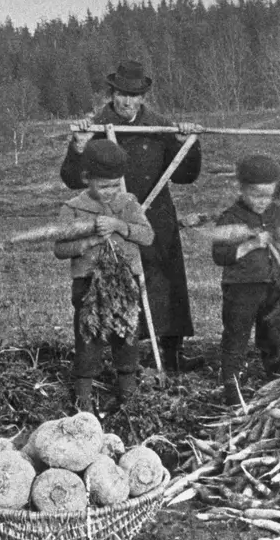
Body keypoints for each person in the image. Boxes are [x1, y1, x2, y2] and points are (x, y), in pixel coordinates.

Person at [62, 60, 204, 373]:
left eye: (134, 95)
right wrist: (79, 146)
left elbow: (186, 175)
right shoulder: (95, 126)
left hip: (155, 217)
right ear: (112, 93)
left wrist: (186, 144)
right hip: (112, 218)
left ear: (143, 97)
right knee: (117, 286)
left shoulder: (159, 125)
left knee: (166, 286)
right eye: (122, 94)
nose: (127, 102)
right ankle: (125, 361)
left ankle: (171, 355)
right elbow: (72, 179)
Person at [53, 139, 155, 413]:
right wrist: (84, 244)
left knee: (127, 335)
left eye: (115, 185)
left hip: (124, 285)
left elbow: (147, 236)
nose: (110, 192)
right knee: (89, 336)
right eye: (103, 185)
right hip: (88, 284)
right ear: (87, 178)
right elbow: (60, 249)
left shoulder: (129, 204)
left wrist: (120, 225)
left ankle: (128, 393)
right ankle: (83, 397)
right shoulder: (73, 207)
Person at [211, 154, 280, 405]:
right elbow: (221, 255)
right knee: (236, 336)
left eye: (268, 195)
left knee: (273, 336)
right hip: (242, 289)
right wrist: (251, 244)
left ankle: (275, 384)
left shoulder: (278, 214)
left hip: (274, 285)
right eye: (256, 195)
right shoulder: (231, 218)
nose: (262, 201)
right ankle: (232, 390)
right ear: (241, 189)